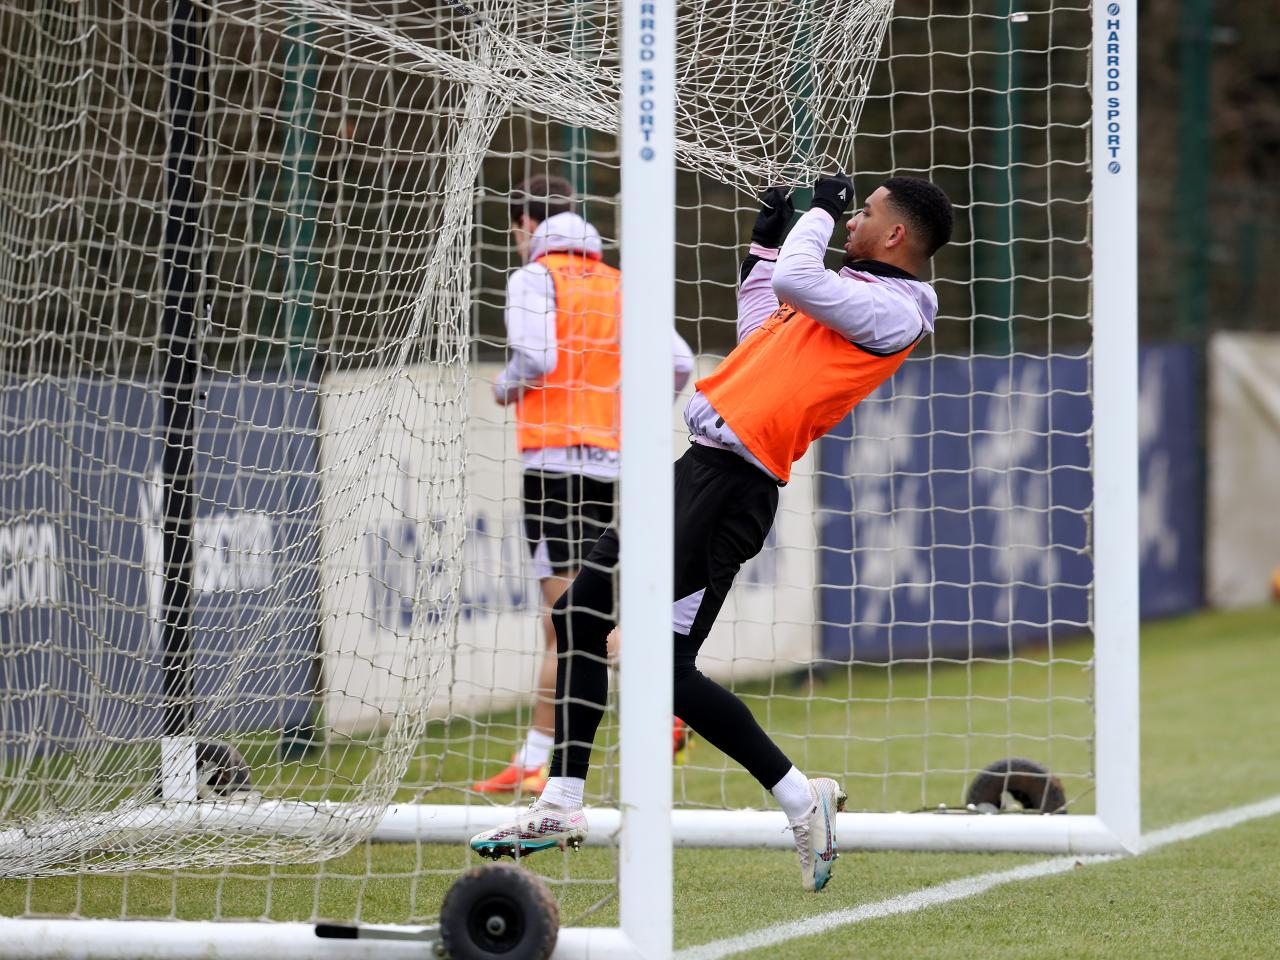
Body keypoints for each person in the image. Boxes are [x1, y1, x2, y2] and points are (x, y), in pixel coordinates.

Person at [471, 172, 954, 892]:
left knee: (643, 657)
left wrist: (815, 213)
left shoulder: (895, 310)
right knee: (585, 618)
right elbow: (763, 321)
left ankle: (793, 797)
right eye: (847, 212)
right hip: (695, 471)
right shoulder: (847, 297)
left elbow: (798, 280)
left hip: (732, 491)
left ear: (896, 236)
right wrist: (762, 247)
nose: (851, 221)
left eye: (866, 213)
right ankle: (564, 804)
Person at [473, 174, 696, 795]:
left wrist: (505, 386)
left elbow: (537, 356)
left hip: (551, 465)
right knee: (567, 621)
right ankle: (538, 754)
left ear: (525, 225)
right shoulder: (618, 283)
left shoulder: (532, 278)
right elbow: (678, 362)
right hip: (607, 466)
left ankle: (660, 707)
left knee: (568, 615)